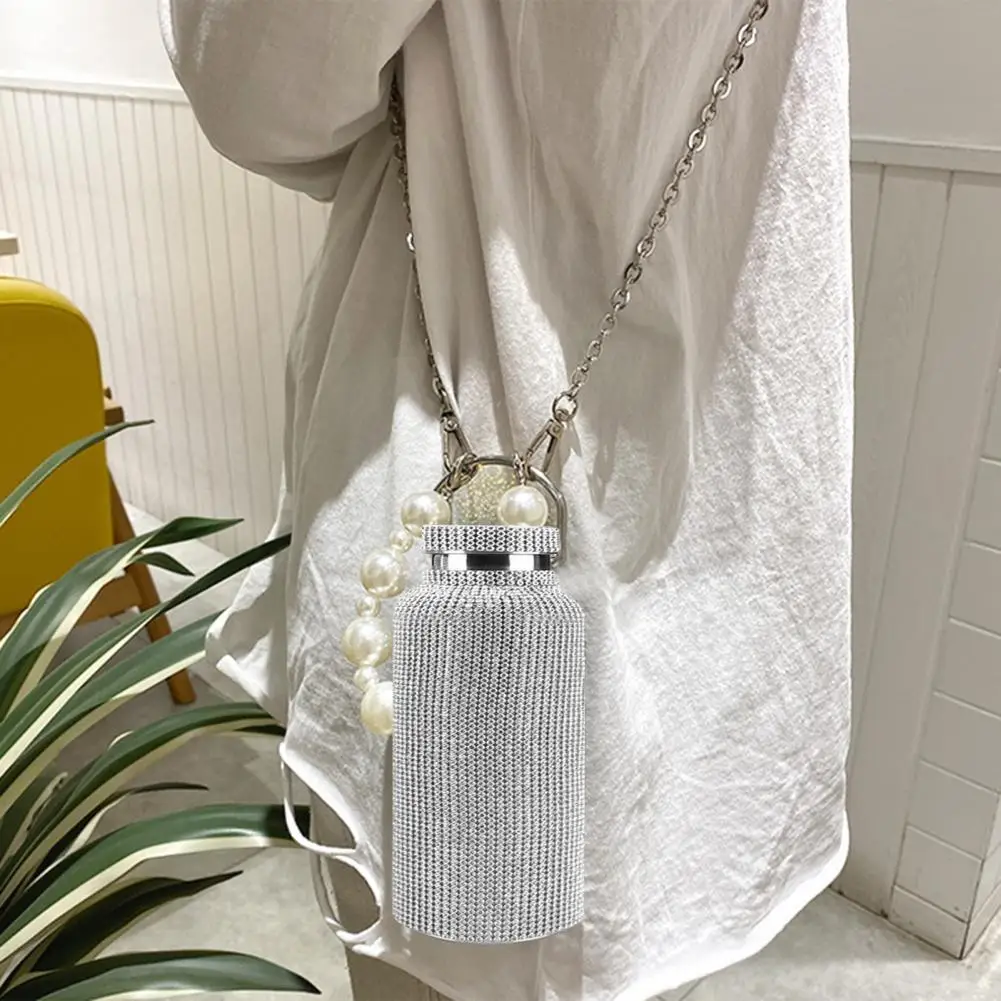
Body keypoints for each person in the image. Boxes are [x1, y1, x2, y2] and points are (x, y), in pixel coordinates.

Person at [161, 2, 853, 1000]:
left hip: (425, 413)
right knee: (648, 916)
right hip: (733, 483)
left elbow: (262, 87)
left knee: (444, 950)